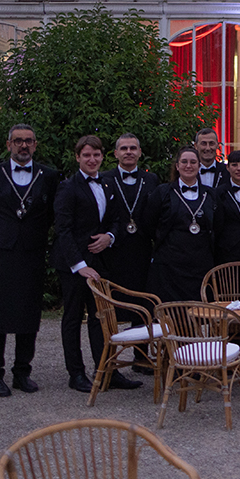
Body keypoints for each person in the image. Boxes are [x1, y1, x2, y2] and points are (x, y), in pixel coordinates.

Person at [0, 124, 60, 396]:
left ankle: (22, 371)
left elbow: (51, 215)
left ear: (35, 145)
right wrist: (0, 235)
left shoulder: (49, 175)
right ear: (9, 144)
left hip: (31, 253)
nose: (24, 146)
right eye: (18, 141)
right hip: (0, 254)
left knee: (28, 314)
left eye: (29, 141)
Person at [52, 135, 140, 394]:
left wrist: (109, 237)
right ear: (78, 157)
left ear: (103, 157)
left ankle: (107, 371)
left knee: (101, 317)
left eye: (96, 155)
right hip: (73, 264)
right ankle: (76, 374)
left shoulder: (108, 184)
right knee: (72, 317)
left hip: (99, 261)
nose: (92, 159)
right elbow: (63, 230)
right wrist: (79, 266)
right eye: (87, 155)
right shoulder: (68, 187)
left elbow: (115, 220)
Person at [101, 132, 161, 374]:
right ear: (115, 153)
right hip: (113, 252)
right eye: (123, 148)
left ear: (139, 152)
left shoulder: (151, 180)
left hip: (142, 251)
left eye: (133, 148)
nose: (128, 152)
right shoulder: (104, 178)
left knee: (143, 302)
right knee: (112, 307)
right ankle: (110, 359)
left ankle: (141, 356)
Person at [145, 145, 218, 302]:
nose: (188, 166)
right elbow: (149, 224)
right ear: (177, 166)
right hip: (169, 267)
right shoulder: (162, 192)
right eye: (184, 162)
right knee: (172, 316)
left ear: (199, 165)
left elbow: (218, 225)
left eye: (193, 162)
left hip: (201, 267)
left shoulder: (210, 194)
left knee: (200, 316)